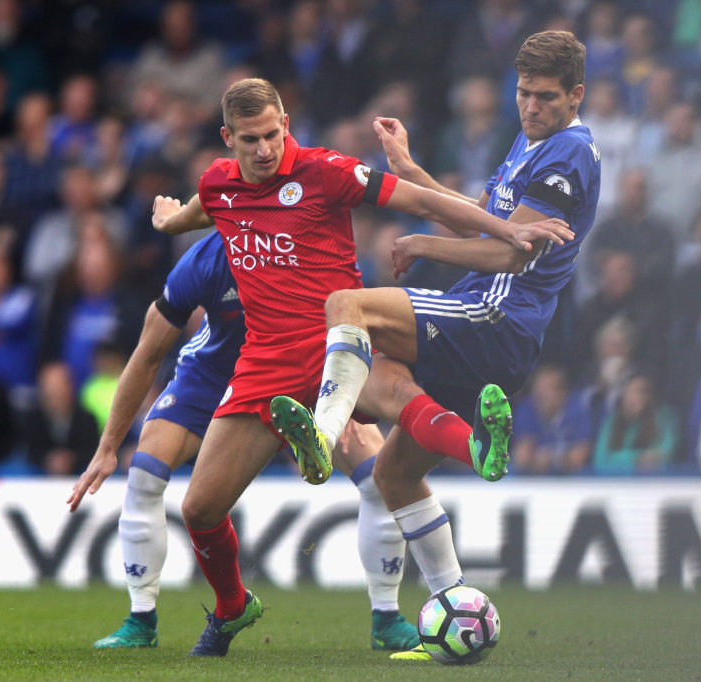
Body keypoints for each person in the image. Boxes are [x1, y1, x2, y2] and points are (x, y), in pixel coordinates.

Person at [69, 76, 571, 658]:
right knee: (200, 509)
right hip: (265, 364)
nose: (266, 150)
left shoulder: (326, 171)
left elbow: (423, 202)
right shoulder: (218, 186)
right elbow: (198, 212)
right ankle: (233, 606)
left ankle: (478, 452)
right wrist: (166, 221)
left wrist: (509, 229)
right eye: (251, 140)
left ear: (287, 124)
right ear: (228, 139)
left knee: (399, 397)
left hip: (340, 338)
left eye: (275, 134)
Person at [269, 31, 598, 659]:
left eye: (547, 98)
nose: (531, 107)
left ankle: (321, 431)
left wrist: (419, 243)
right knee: (393, 473)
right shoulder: (533, 140)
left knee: (348, 306)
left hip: (494, 316)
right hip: (494, 330)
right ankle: (456, 610)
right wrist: (411, 171)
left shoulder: (569, 155)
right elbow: (483, 214)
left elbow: (510, 249)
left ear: (576, 94)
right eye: (524, 93)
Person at [68, 233, 421, 653]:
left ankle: (386, 618)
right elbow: (148, 352)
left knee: (378, 477)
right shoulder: (205, 260)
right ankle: (141, 619)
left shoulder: (309, 240)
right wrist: (108, 446)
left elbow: (353, 325)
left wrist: (342, 397)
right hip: (212, 378)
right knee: (145, 472)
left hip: (303, 377)